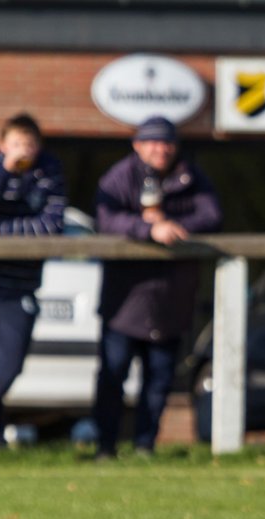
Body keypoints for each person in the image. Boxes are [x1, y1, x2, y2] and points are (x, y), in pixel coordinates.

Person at [94, 116, 222, 459]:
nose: (160, 148)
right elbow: (105, 219)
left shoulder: (191, 176)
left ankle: (144, 446)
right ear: (137, 145)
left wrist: (173, 226)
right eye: (152, 141)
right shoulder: (120, 177)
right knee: (113, 375)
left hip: (171, 300)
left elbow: (212, 215)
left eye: (166, 142)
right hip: (126, 300)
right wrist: (145, 229)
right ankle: (105, 447)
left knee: (159, 381)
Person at [0, 113, 66, 449]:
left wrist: (2, 233)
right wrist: (5, 171)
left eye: (29, 143)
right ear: (3, 145)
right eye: (16, 143)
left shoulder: (49, 175)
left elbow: (52, 224)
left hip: (20, 284)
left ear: (39, 146)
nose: (24, 149)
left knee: (8, 364)